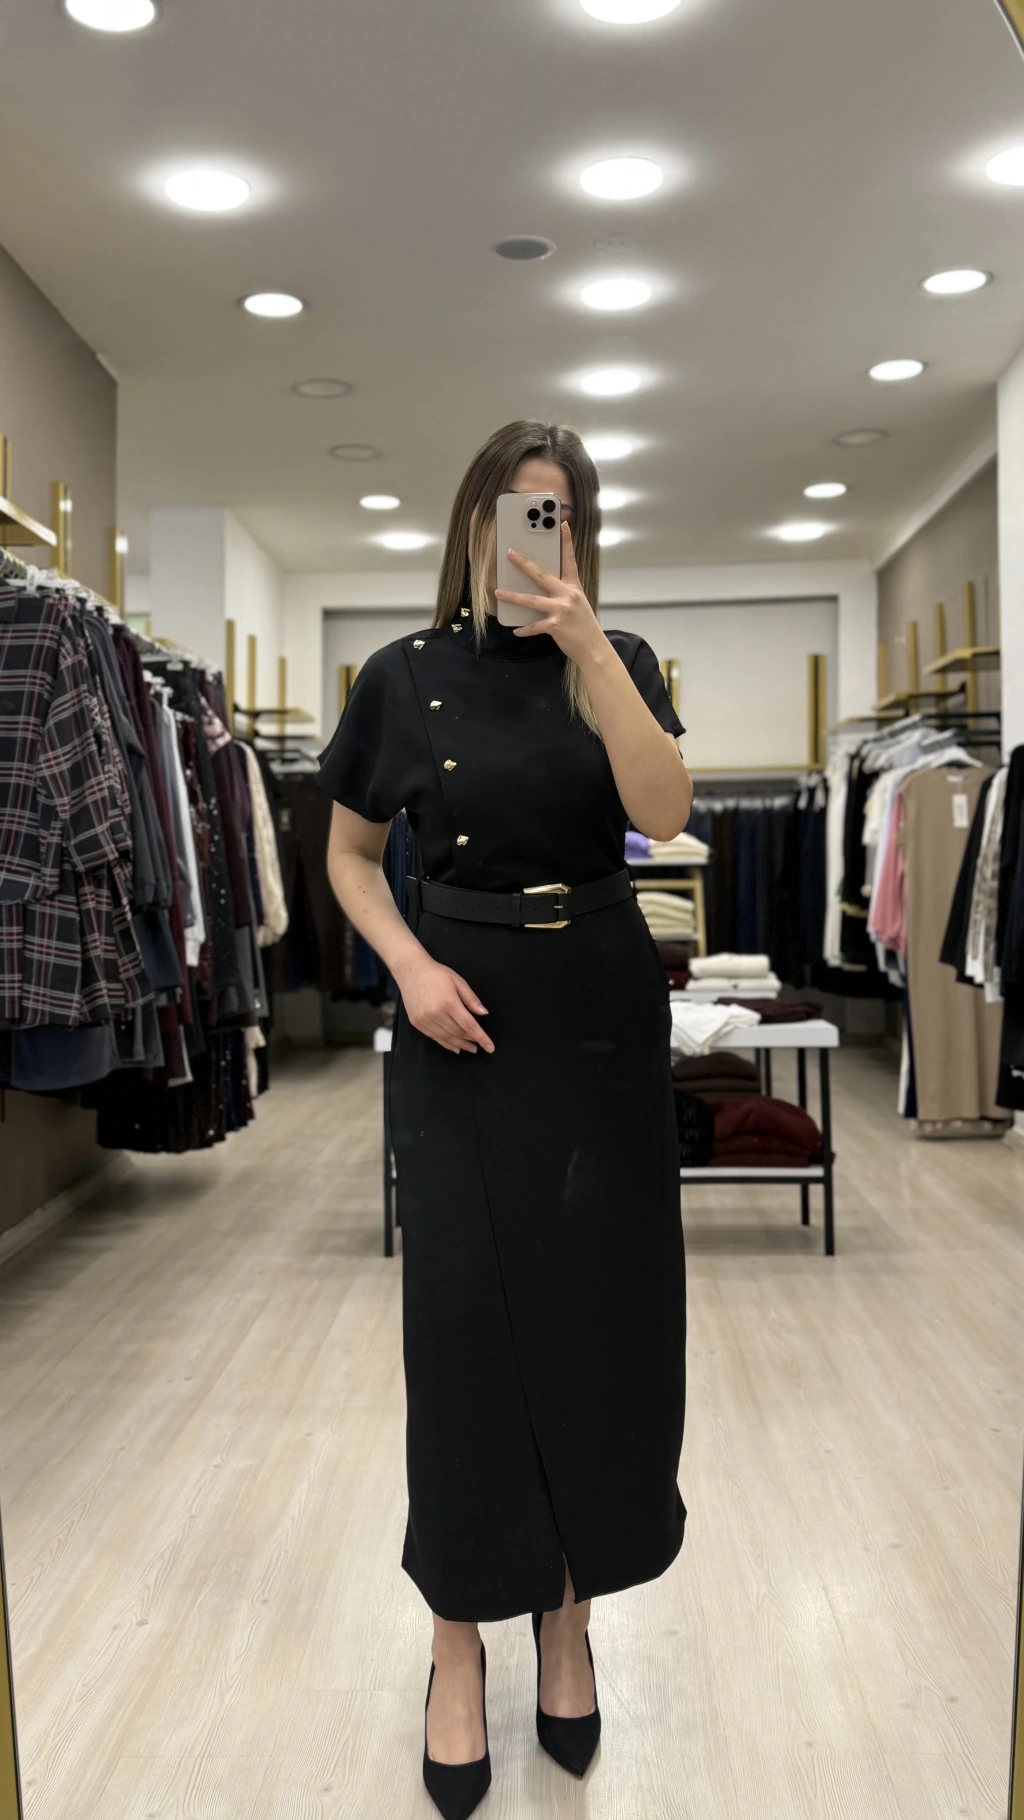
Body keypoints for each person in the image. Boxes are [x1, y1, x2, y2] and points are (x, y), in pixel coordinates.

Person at [320, 420, 691, 1817]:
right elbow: (351, 856)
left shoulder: (621, 662)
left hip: (597, 1010)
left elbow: (663, 812)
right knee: (465, 1332)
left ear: (582, 535)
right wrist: (407, 967)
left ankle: (569, 1618)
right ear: (473, 522)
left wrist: (590, 647)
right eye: (515, 512)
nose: (537, 537)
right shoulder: (401, 677)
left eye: (561, 516)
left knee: (599, 1326)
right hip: (458, 1017)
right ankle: (456, 1642)